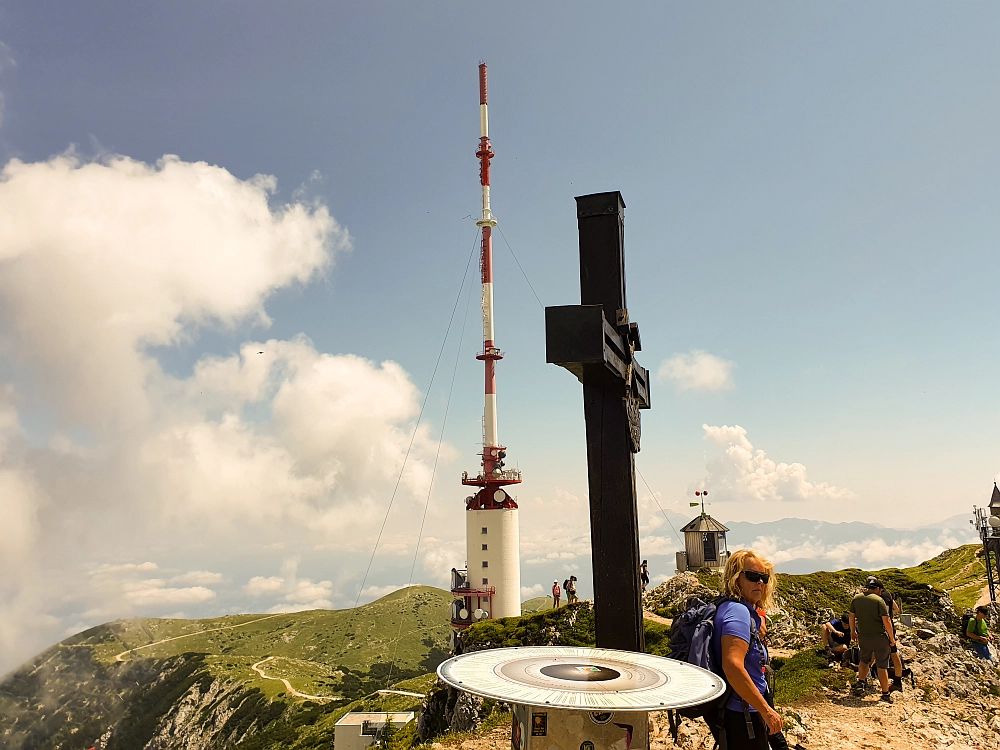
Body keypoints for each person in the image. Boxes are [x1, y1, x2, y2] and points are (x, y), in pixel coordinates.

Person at [711, 549, 783, 749]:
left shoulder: (732, 607)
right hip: (743, 714)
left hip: (739, 710)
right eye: (752, 576)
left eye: (763, 577)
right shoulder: (738, 612)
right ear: (735, 578)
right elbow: (732, 665)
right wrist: (766, 711)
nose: (759, 582)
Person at [849, 576, 896, 703]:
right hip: (879, 637)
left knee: (864, 660)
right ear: (877, 589)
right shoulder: (878, 600)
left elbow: (852, 616)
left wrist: (853, 631)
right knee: (882, 665)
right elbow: (886, 620)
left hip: (863, 636)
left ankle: (860, 684)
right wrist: (891, 638)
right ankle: (885, 693)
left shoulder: (857, 598)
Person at [874, 583, 904, 692]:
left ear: (878, 589)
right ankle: (898, 681)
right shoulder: (888, 595)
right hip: (891, 628)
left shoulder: (883, 597)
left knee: (887, 654)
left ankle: (888, 685)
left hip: (885, 630)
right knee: (894, 653)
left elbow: (885, 614)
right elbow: (896, 609)